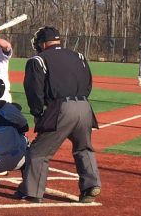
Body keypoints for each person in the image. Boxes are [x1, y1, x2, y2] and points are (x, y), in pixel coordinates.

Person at [16, 26, 102, 204]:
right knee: (83, 148)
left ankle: (32, 192)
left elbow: (34, 91)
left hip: (60, 108)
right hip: (85, 106)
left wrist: (38, 113)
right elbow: (88, 84)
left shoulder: (38, 60)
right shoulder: (78, 56)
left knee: (39, 152)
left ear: (43, 43)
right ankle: (90, 186)